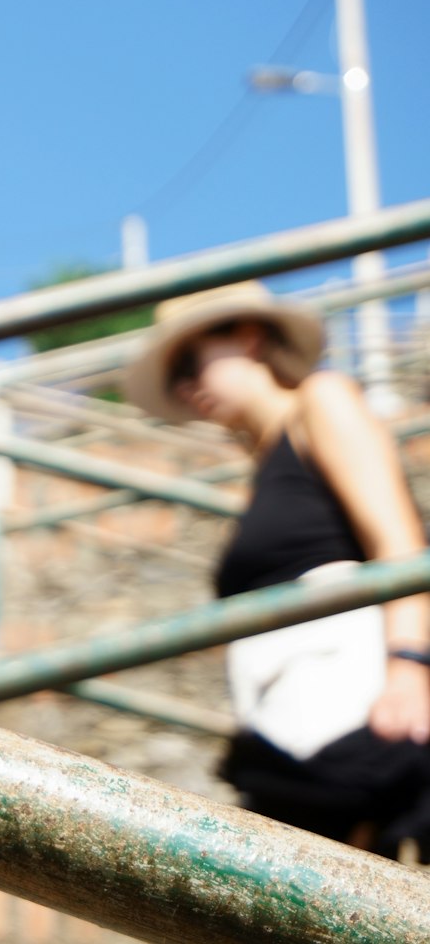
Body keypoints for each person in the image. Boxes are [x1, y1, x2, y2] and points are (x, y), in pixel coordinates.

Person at [123, 280, 430, 861]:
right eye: (174, 378)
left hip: (363, 715)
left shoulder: (324, 400)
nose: (186, 386)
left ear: (250, 335)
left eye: (191, 360)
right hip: (295, 738)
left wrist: (411, 666)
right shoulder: (267, 463)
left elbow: (400, 544)